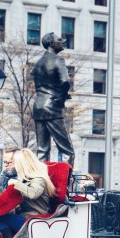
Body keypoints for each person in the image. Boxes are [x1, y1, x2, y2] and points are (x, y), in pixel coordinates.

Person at [0, 148, 58, 238]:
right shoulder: (28, 179)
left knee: (1, 219)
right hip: (28, 218)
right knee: (0, 219)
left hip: (35, 219)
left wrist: (16, 184)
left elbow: (33, 193)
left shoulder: (39, 179)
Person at [32, 32, 75, 166]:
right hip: (52, 107)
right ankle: (65, 182)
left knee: (42, 150)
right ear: (51, 43)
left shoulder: (38, 63)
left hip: (38, 107)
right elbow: (66, 82)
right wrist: (61, 99)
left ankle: (41, 182)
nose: (62, 42)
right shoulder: (58, 60)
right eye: (59, 40)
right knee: (67, 150)